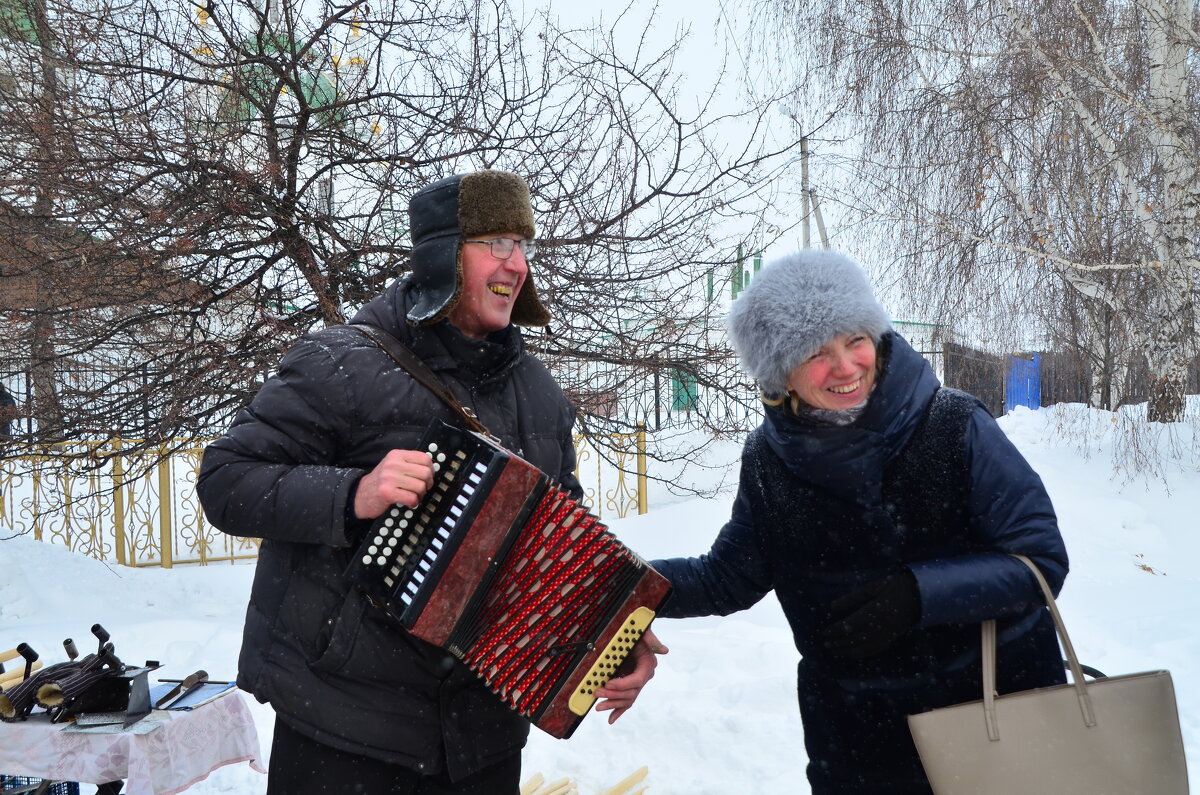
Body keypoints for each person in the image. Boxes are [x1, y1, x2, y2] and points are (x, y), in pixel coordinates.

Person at [197, 170, 663, 795]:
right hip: (345, 731)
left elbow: (556, 545)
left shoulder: (541, 397)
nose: (517, 262)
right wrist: (353, 494)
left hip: (482, 738)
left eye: (523, 243)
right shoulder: (342, 363)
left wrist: (611, 629)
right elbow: (226, 481)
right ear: (444, 252)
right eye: (496, 241)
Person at [641, 250, 1068, 793]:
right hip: (856, 744)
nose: (845, 366)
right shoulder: (770, 461)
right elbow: (729, 577)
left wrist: (918, 595)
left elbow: (1039, 562)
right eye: (817, 352)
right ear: (782, 375)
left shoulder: (953, 425)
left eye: (855, 340)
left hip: (992, 721)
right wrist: (622, 583)